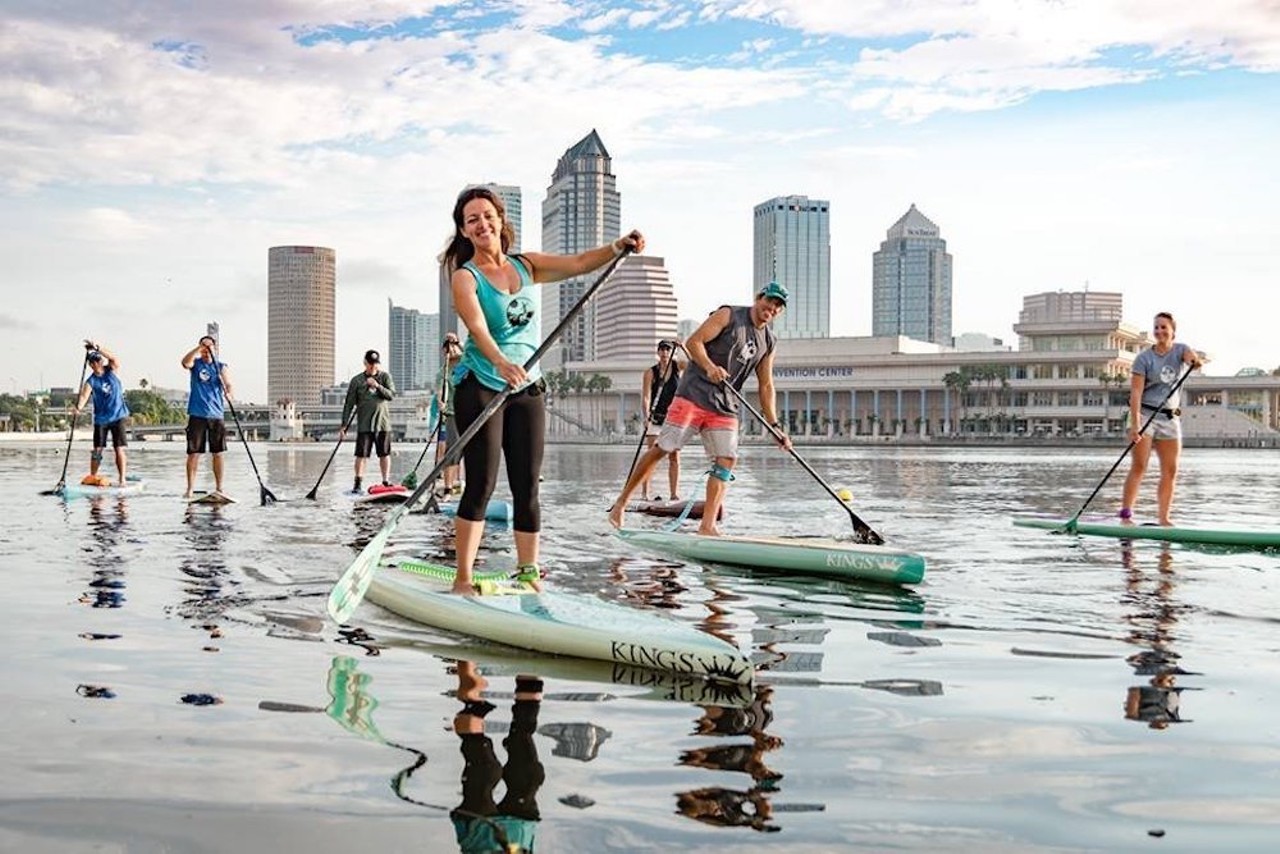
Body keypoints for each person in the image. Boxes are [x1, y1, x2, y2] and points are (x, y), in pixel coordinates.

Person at [443, 185, 643, 594]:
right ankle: (463, 579)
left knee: (527, 485)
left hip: (528, 385)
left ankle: (528, 572)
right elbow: (477, 327)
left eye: (487, 215)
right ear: (464, 232)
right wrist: (500, 361)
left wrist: (616, 246)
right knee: (480, 483)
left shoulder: (528, 265)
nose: (482, 224)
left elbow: (581, 262)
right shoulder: (466, 277)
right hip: (482, 382)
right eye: (472, 220)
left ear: (501, 219)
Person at [609, 282, 793, 535]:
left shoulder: (769, 342)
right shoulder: (729, 314)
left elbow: (766, 386)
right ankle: (622, 502)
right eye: (769, 301)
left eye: (777, 306)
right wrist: (709, 367)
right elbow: (694, 342)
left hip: (725, 404)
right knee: (664, 448)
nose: (771, 308)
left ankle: (707, 526)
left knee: (727, 459)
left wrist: (774, 425)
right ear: (758, 298)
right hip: (693, 395)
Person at [1119, 312, 1203, 526]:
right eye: (1156, 327)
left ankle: (1164, 518)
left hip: (1170, 417)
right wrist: (1135, 425)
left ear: (1173, 330)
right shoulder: (1144, 359)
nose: (1159, 331)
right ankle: (1126, 516)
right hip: (1145, 415)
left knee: (1171, 470)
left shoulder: (1181, 350)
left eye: (1164, 327)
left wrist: (1194, 361)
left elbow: (1191, 358)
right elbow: (1136, 394)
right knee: (1139, 466)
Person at [180, 335, 234, 499]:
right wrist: (199, 347)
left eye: (209, 348)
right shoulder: (196, 364)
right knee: (193, 453)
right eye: (204, 348)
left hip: (216, 415)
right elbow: (184, 362)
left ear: (215, 349)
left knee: (217, 453)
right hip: (197, 414)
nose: (206, 351)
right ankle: (190, 489)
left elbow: (228, 383)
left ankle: (219, 487)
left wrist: (229, 392)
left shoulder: (220, 367)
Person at [73, 340, 130, 485]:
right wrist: (78, 408)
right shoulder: (91, 381)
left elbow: (114, 358)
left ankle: (122, 479)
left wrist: (97, 347)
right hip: (101, 419)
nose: (98, 363)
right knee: (97, 450)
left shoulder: (111, 370)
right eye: (95, 361)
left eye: (99, 359)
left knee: (119, 449)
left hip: (118, 416)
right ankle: (93, 476)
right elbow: (84, 396)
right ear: (91, 365)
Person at [340, 349, 396, 494]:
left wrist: (377, 386)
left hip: (382, 424)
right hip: (364, 424)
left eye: (375, 364)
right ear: (365, 363)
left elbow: (391, 395)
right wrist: (344, 426)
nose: (373, 367)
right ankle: (358, 483)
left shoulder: (385, 377)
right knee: (361, 455)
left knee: (384, 453)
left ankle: (385, 481)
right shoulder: (357, 381)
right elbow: (349, 404)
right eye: (370, 364)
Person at [638, 339, 682, 501]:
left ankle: (674, 494)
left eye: (668, 350)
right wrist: (646, 416)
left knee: (674, 457)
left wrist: (683, 347)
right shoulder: (650, 372)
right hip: (655, 419)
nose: (664, 353)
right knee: (651, 457)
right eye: (662, 350)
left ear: (671, 352)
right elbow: (646, 396)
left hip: (674, 419)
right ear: (658, 353)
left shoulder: (678, 366)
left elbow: (695, 364)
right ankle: (645, 493)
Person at [434, 332, 464, 496]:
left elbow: (476, 354)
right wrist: (441, 402)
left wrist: (458, 343)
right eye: (447, 349)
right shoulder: (443, 372)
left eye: (452, 347)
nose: (450, 352)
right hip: (453, 413)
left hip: (473, 411)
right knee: (452, 449)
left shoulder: (468, 361)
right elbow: (440, 390)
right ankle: (448, 488)